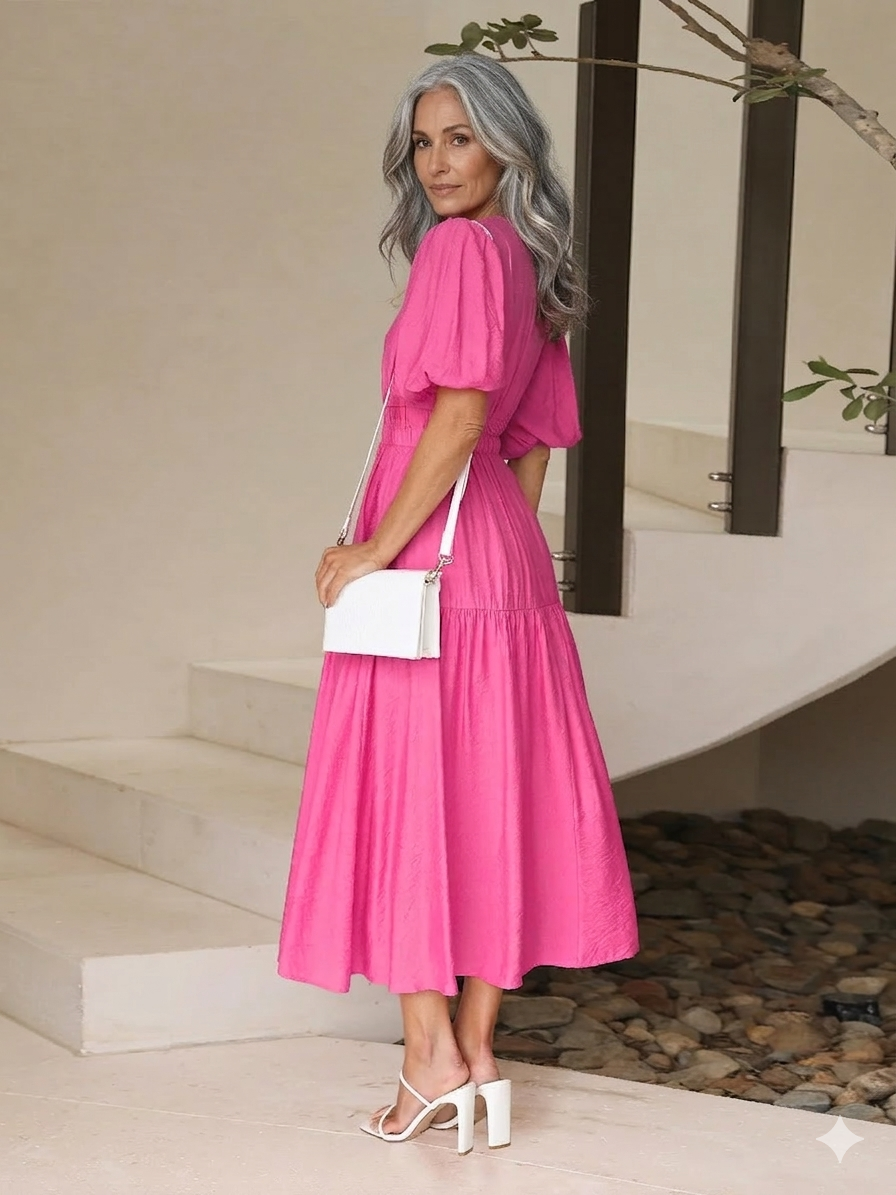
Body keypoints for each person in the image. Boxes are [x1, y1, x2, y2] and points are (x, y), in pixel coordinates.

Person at [277, 53, 640, 1153]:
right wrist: (507, 557)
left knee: (413, 798)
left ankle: (426, 1059)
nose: (437, 164)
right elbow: (530, 450)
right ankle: (477, 1052)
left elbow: (462, 415)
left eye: (460, 140)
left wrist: (374, 548)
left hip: (430, 556)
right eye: (424, 142)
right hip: (504, 563)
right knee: (491, 799)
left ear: (505, 148)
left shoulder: (457, 249)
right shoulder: (534, 259)